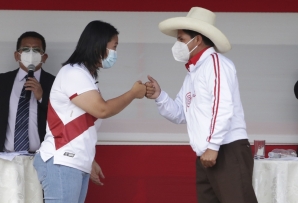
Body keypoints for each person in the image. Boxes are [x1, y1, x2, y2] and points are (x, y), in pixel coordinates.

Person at [145, 7, 258, 203]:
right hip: (208, 154)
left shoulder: (216, 63)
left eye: (181, 39)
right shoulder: (193, 73)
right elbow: (181, 113)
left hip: (226, 149)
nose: (177, 44)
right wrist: (159, 95)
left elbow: (222, 106)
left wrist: (213, 146)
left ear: (197, 40)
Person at [33, 20, 146, 203]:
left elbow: (83, 123)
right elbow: (102, 109)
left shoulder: (86, 76)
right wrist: (133, 94)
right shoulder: (73, 73)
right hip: (61, 161)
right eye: (113, 47)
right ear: (98, 45)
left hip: (74, 162)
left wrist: (88, 160)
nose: (115, 54)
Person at [0, 31, 55, 153]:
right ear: (17, 55)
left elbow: (64, 116)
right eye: (25, 49)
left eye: (36, 50)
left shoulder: (55, 83)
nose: (31, 54)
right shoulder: (2, 82)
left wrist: (42, 98)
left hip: (42, 158)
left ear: (44, 57)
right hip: (5, 157)